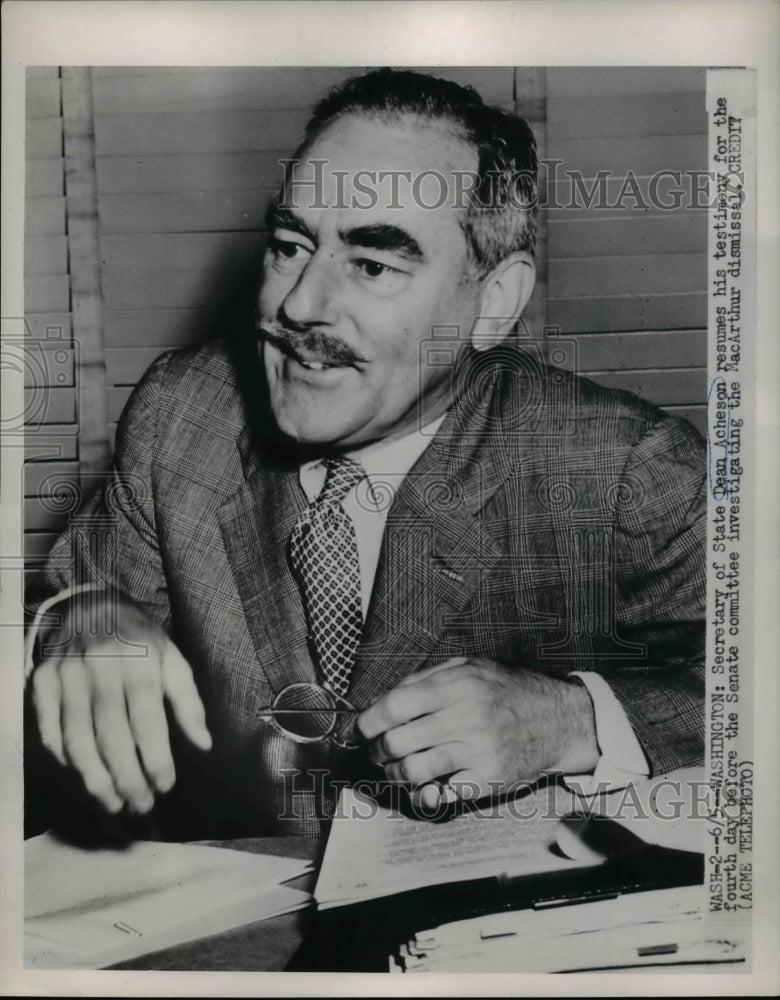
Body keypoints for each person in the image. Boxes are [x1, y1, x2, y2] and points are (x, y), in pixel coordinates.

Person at [25, 69, 705, 841]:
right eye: (290, 246)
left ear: (493, 303)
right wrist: (82, 620)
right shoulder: (185, 412)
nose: (299, 305)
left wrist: (575, 719)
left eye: (372, 265)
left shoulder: (626, 469)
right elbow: (79, 593)